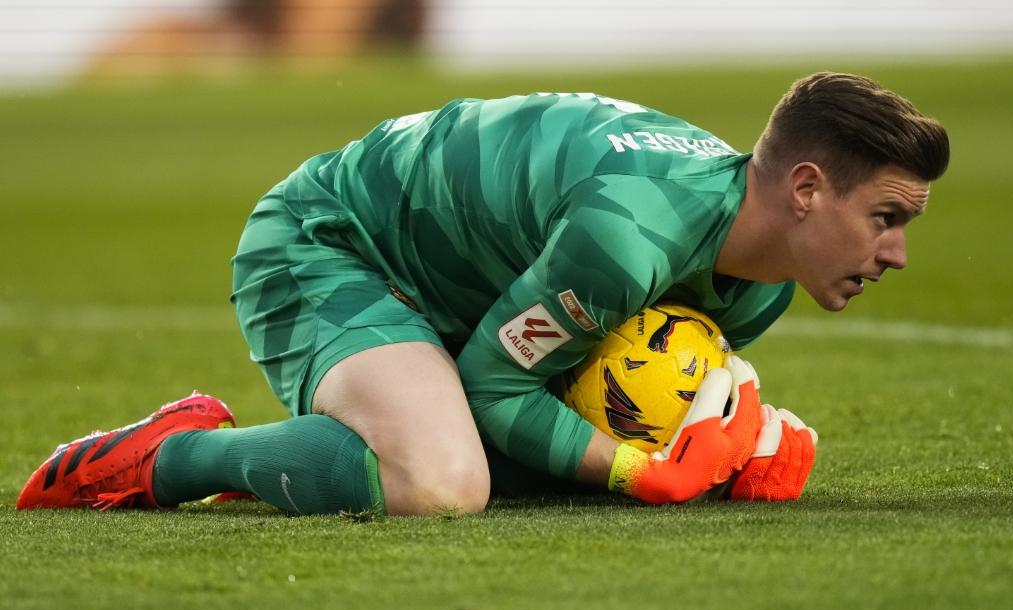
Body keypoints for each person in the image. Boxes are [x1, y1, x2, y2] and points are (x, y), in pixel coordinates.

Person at [17, 72, 949, 516]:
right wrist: (642, 468)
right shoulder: (631, 236)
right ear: (805, 189)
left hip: (472, 292)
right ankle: (175, 454)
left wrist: (743, 432)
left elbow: (600, 379)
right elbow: (503, 382)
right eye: (886, 216)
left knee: (519, 463)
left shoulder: (759, 285)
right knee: (444, 480)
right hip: (327, 244)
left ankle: (367, 430)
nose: (898, 251)